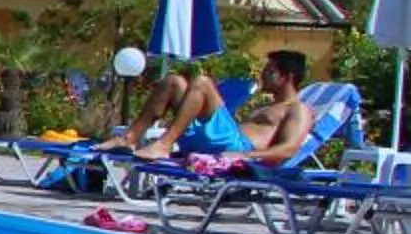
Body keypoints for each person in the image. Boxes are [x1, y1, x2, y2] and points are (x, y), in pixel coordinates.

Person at [94, 49, 311, 165]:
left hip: (237, 148)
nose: (263, 75)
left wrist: (245, 157)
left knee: (202, 83)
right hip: (214, 141)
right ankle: (129, 138)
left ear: (288, 77)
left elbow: (288, 149)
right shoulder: (268, 105)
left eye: (270, 71)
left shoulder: (297, 109)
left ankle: (164, 144)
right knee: (173, 82)